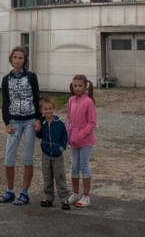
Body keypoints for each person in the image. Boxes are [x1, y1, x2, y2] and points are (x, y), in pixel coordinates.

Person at [0, 45, 41, 206]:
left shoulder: (31, 77)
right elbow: (5, 102)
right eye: (15, 57)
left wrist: (38, 119)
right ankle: (9, 191)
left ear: (24, 60)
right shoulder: (6, 80)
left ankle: (24, 193)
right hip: (14, 121)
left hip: (30, 120)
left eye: (20, 58)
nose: (17, 60)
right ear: (11, 59)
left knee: (27, 157)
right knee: (9, 158)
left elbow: (37, 97)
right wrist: (7, 122)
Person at [35, 95, 70, 210]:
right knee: (47, 177)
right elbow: (39, 136)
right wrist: (37, 130)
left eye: (50, 109)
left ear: (54, 108)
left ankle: (64, 199)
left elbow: (64, 136)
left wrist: (61, 147)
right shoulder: (42, 122)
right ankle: (48, 197)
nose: (48, 111)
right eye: (45, 109)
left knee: (60, 177)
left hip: (57, 155)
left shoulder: (59, 123)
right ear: (41, 110)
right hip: (46, 154)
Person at [67, 74, 96, 208]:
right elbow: (69, 119)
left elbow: (92, 123)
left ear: (85, 86)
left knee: (84, 166)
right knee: (74, 167)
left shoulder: (88, 101)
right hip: (73, 140)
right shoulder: (71, 100)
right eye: (75, 86)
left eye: (80, 86)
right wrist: (69, 133)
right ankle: (75, 193)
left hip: (85, 140)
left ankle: (86, 196)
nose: (77, 88)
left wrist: (81, 134)